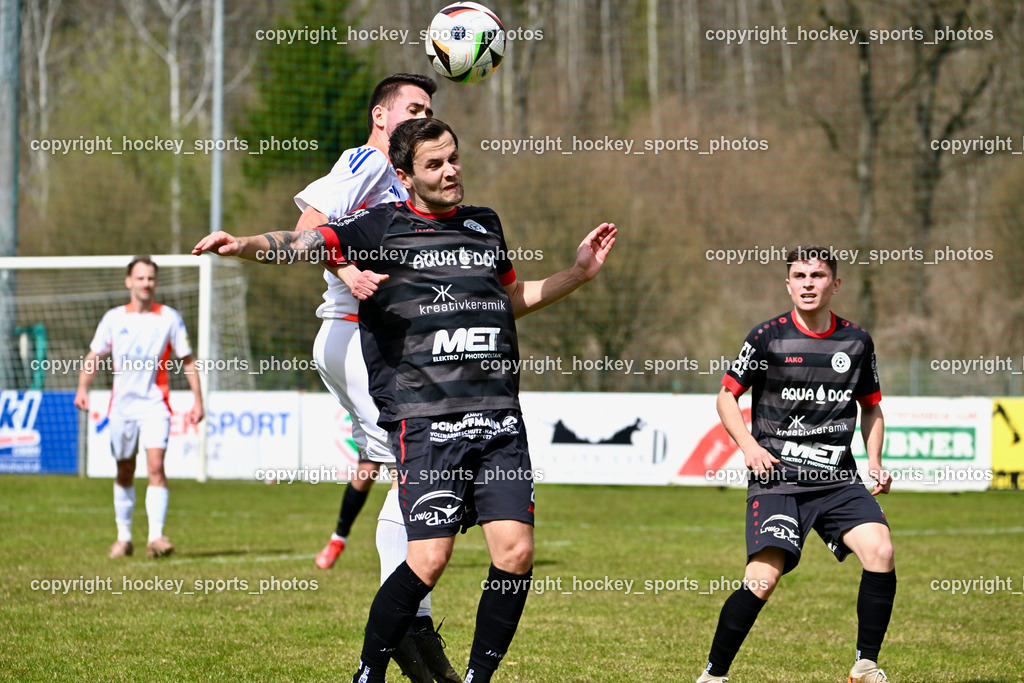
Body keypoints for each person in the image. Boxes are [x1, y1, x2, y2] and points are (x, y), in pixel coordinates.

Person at [192, 117, 617, 683]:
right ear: (404, 175)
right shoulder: (377, 227)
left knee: (515, 554)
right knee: (428, 561)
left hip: (498, 417)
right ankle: (367, 674)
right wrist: (243, 245)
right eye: (434, 165)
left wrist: (578, 274)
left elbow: (509, 300)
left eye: (454, 159)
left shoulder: (484, 225)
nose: (450, 171)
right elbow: (302, 242)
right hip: (426, 420)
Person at [292, 72, 460, 683]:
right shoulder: (365, 161)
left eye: (429, 109)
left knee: (401, 471)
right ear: (381, 117)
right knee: (414, 473)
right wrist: (347, 271)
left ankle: (413, 625)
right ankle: (413, 629)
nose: (422, 116)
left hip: (367, 339)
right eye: (413, 108)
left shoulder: (397, 179)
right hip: (355, 334)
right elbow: (311, 230)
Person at [695, 246, 895, 683]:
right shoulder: (766, 337)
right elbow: (727, 396)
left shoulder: (857, 342)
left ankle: (865, 665)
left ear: (835, 284)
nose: (808, 283)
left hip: (838, 479)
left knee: (880, 551)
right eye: (799, 275)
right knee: (763, 580)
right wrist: (748, 446)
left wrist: (875, 461)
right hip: (778, 480)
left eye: (818, 275)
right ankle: (714, 675)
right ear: (788, 284)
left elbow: (872, 408)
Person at [74, 256, 204, 559]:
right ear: (129, 281)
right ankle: (124, 537)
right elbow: (94, 355)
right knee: (124, 470)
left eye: (151, 278)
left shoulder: (169, 317)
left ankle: (156, 538)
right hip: (121, 408)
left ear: (156, 283)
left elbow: (188, 360)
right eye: (140, 278)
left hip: (155, 405)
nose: (146, 283)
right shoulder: (114, 318)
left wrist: (198, 399)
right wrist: (83, 387)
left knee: (156, 466)